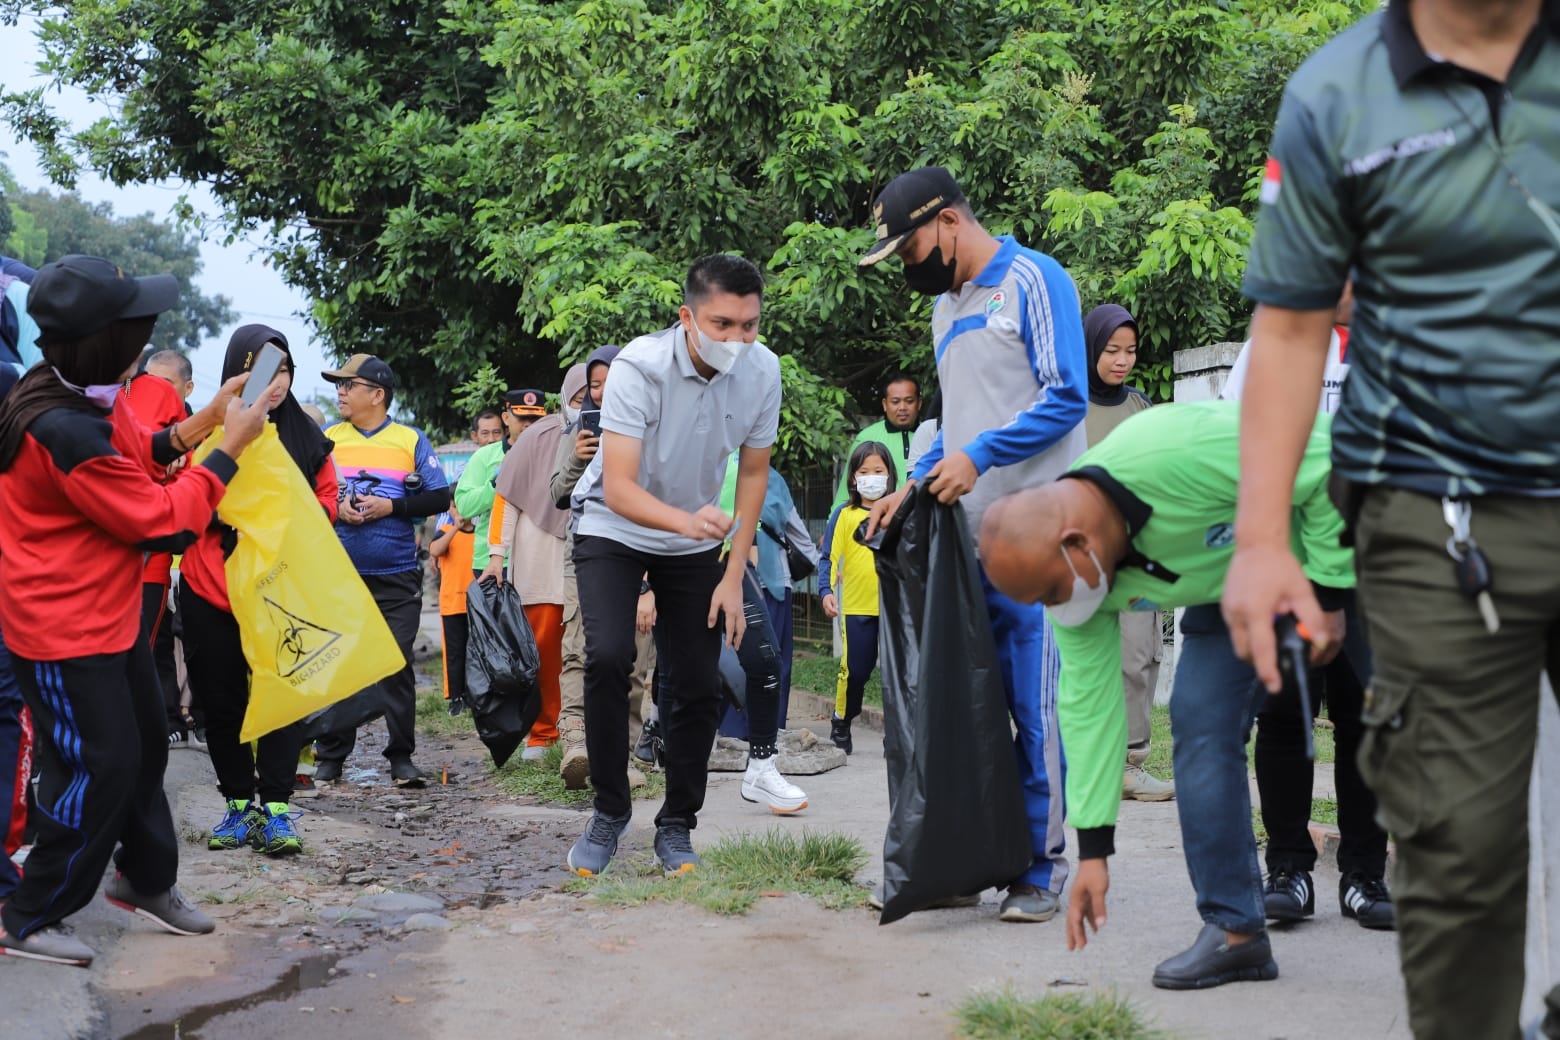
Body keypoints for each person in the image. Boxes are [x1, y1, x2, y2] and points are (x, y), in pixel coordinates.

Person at [1220, 4, 1559, 1034]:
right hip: (1434, 517)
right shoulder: (1336, 92)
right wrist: (1264, 538)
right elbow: (1288, 325)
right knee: (1457, 849)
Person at [978, 400, 1359, 988]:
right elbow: (1092, 710)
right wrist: (1094, 851)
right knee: (1200, 721)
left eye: (1051, 591)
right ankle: (1238, 932)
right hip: (1237, 580)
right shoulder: (1077, 584)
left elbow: (1322, 458)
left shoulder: (1172, 453)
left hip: (1344, 537)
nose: (1053, 609)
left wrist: (1331, 598)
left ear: (1077, 543)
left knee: (1415, 713)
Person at [0, 254, 278, 966]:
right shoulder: (60, 426)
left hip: (109, 614)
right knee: (100, 764)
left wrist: (206, 420)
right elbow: (163, 523)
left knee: (146, 745)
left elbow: (143, 455)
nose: (146, 335)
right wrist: (232, 447)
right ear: (107, 340)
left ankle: (146, 879)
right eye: (136, 325)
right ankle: (28, 913)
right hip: (62, 629)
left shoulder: (89, 395)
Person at [861, 166, 1088, 924]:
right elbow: (955, 428)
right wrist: (911, 483)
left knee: (1034, 704)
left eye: (908, 246)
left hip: (1039, 539)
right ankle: (965, 859)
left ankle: (1039, 867)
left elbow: (1066, 396)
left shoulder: (1033, 279)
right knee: (968, 708)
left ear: (948, 222)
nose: (907, 263)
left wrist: (979, 457)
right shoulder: (945, 311)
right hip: (967, 544)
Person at [565, 254, 780, 878]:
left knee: (697, 680)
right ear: (686, 317)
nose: (739, 340)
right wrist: (688, 522)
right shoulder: (639, 367)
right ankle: (609, 810)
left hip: (697, 542)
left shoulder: (763, 372)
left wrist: (733, 576)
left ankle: (677, 826)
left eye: (751, 325)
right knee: (607, 658)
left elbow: (756, 472)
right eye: (722, 324)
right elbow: (623, 487)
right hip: (615, 525)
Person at [1222, 283, 1392, 931]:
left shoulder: (1392, 342)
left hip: (1374, 567)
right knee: (1285, 715)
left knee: (1366, 721)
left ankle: (1364, 875)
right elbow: (1234, 438)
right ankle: (1289, 868)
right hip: (1290, 564)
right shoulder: (1272, 343)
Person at [180, 325, 337, 857]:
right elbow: (183, 500)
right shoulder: (203, 433)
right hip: (211, 586)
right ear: (233, 376)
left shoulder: (309, 439)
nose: (274, 385)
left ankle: (275, 807)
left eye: (283, 372)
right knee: (222, 703)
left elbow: (327, 500)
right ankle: (237, 804)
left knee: (280, 698)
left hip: (279, 590)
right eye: (262, 373)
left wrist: (287, 524)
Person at [315, 354, 451, 789]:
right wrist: (337, 508)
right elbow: (304, 491)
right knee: (341, 665)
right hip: (337, 575)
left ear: (377, 394)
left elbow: (438, 498)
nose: (340, 392)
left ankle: (401, 758)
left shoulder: (410, 440)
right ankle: (331, 759)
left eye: (348, 385)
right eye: (338, 385)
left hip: (396, 574)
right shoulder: (325, 439)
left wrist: (391, 505)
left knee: (395, 664)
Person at [1079, 305, 1170, 803]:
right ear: (1092, 348)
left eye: (1130, 351)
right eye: (1112, 350)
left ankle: (1132, 764)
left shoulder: (1141, 406)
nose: (1122, 360)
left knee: (1136, 657)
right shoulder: (1066, 404)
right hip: (1078, 556)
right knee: (1082, 661)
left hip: (1135, 556)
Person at [483, 367, 586, 760]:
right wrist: (497, 556)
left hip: (592, 548)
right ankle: (542, 733)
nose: (586, 406)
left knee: (587, 646)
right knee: (541, 645)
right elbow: (506, 498)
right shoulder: (537, 437)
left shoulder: (617, 429)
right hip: (540, 551)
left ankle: (581, 730)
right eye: (579, 399)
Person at [550, 345, 622, 789]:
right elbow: (558, 492)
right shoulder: (577, 430)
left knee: (629, 650)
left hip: (638, 547)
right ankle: (575, 740)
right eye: (594, 385)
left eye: (610, 380)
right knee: (578, 642)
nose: (602, 390)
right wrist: (579, 454)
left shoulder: (649, 426)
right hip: (583, 547)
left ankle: (624, 746)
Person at [819, 441, 894, 754]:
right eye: (865, 471)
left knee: (896, 676)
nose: (872, 477)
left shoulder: (897, 513)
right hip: (856, 607)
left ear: (890, 476)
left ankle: (898, 734)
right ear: (853, 478)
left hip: (893, 610)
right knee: (856, 670)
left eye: (878, 471)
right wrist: (825, 591)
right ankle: (842, 720)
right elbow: (829, 557)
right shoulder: (845, 514)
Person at [455, 389, 547, 576]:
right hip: (493, 561)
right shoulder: (485, 455)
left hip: (541, 558)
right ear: (506, 418)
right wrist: (499, 482)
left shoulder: (552, 452)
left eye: (535, 419)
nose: (528, 425)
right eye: (522, 418)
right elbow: (464, 506)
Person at [832, 372, 920, 508]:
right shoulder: (867, 437)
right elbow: (847, 490)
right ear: (885, 404)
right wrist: (833, 523)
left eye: (909, 401)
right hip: (876, 522)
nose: (902, 407)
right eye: (895, 402)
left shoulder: (932, 436)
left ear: (919, 403)